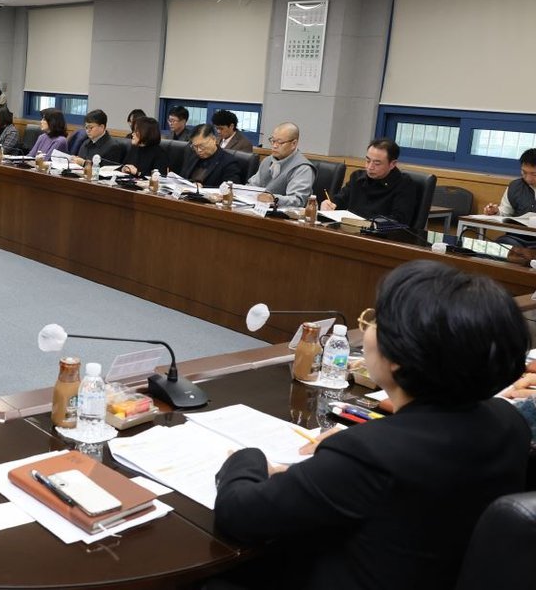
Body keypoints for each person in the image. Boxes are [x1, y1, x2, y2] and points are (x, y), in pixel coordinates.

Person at [213, 260, 530, 589]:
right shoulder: (509, 421)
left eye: (378, 320)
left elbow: (239, 514)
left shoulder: (369, 453)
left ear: (399, 358)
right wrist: (336, 460)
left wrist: (247, 458)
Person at [321, 138, 417, 224]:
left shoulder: (404, 184)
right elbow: (339, 201)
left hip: (381, 235)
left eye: (377, 163)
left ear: (392, 164)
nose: (370, 167)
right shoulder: (357, 177)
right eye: (368, 161)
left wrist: (370, 223)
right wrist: (329, 205)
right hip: (350, 230)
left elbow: (399, 220)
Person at [247, 122, 314, 208]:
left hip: (284, 214)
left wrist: (274, 198)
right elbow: (252, 185)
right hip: (258, 210)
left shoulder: (303, 168)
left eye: (280, 142)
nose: (274, 146)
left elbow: (297, 200)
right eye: (273, 141)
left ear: (293, 144)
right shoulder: (267, 160)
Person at [482, 149, 536, 247]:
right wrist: (495, 211)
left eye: (534, 174)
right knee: (501, 243)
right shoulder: (515, 186)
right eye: (524, 172)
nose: (528, 178)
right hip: (516, 237)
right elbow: (506, 212)